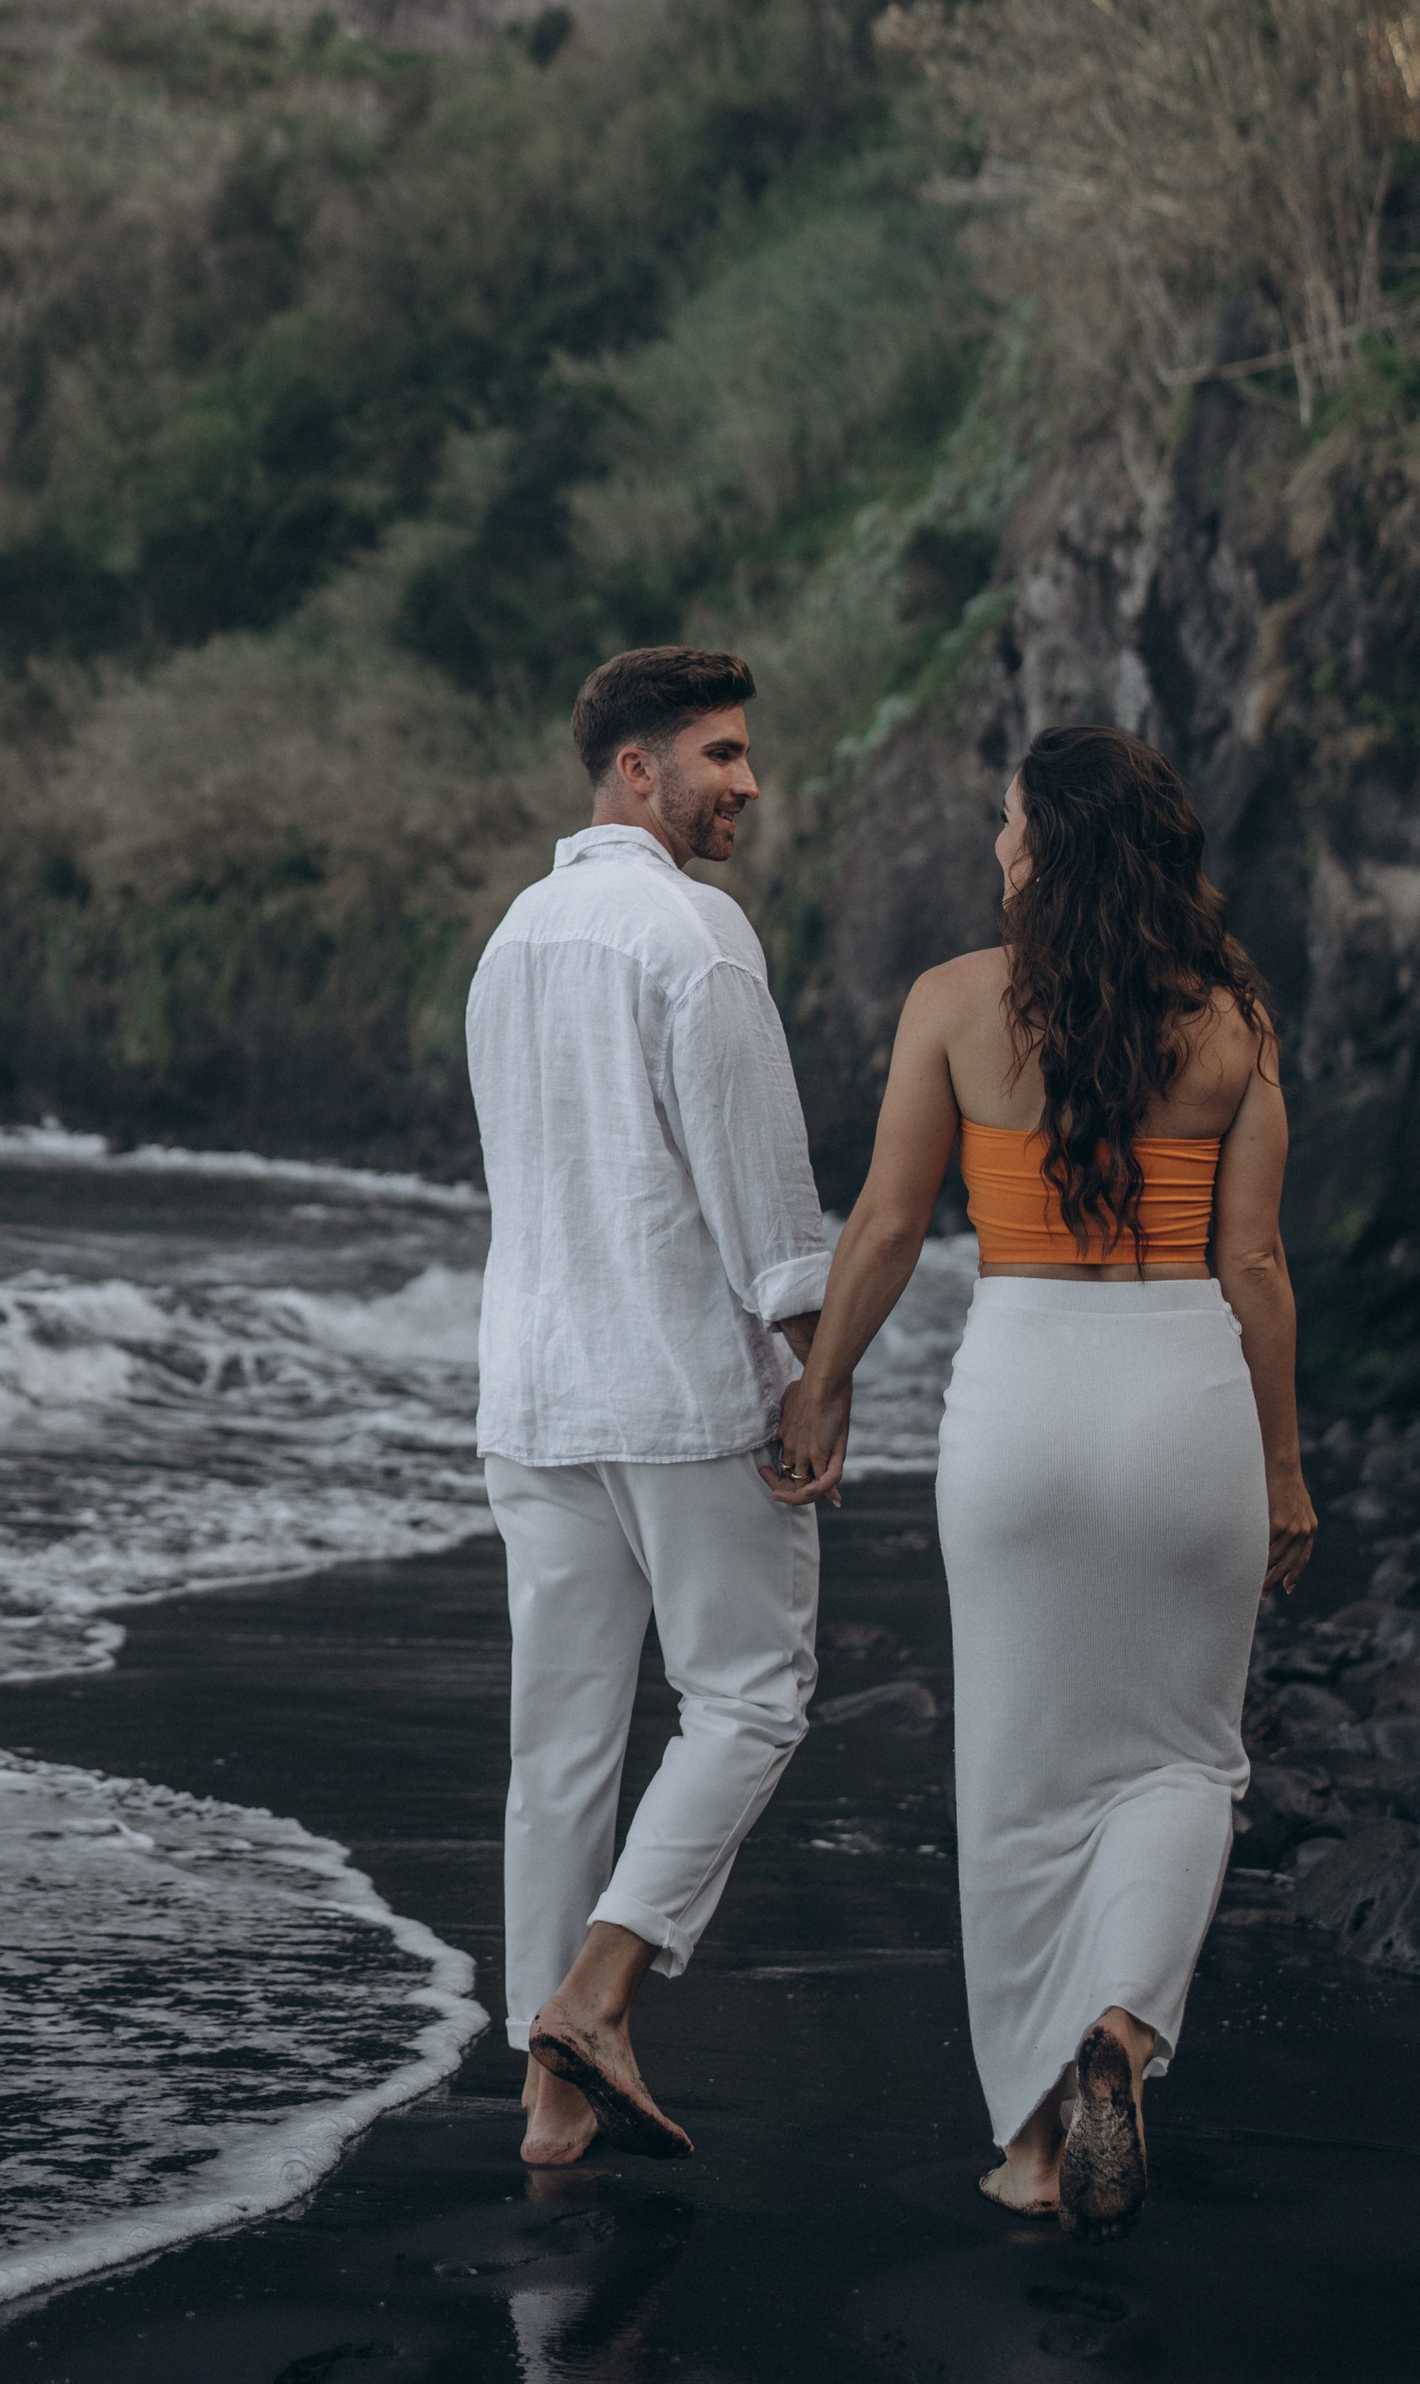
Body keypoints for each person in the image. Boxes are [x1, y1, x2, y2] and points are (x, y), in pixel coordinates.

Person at [770, 723, 1316, 2238]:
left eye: (1010, 826)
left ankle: (1026, 2145)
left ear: (1051, 848)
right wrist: (1283, 1469)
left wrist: (821, 1400)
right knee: (1185, 1762)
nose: (998, 849)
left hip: (1018, 1405)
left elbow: (882, 1228)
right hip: (1183, 1398)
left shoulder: (953, 1004)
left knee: (1016, 1786)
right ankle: (1121, 2036)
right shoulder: (1233, 1024)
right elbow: (1255, 1266)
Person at [467, 643, 833, 2168]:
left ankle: (550, 2107)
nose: (747, 784)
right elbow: (765, 1204)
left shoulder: (515, 938)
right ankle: (599, 1995)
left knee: (560, 1747)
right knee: (751, 1695)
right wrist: (817, 1375)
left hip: (535, 1396)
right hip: (680, 1393)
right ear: (639, 769)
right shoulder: (693, 934)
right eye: (722, 755)